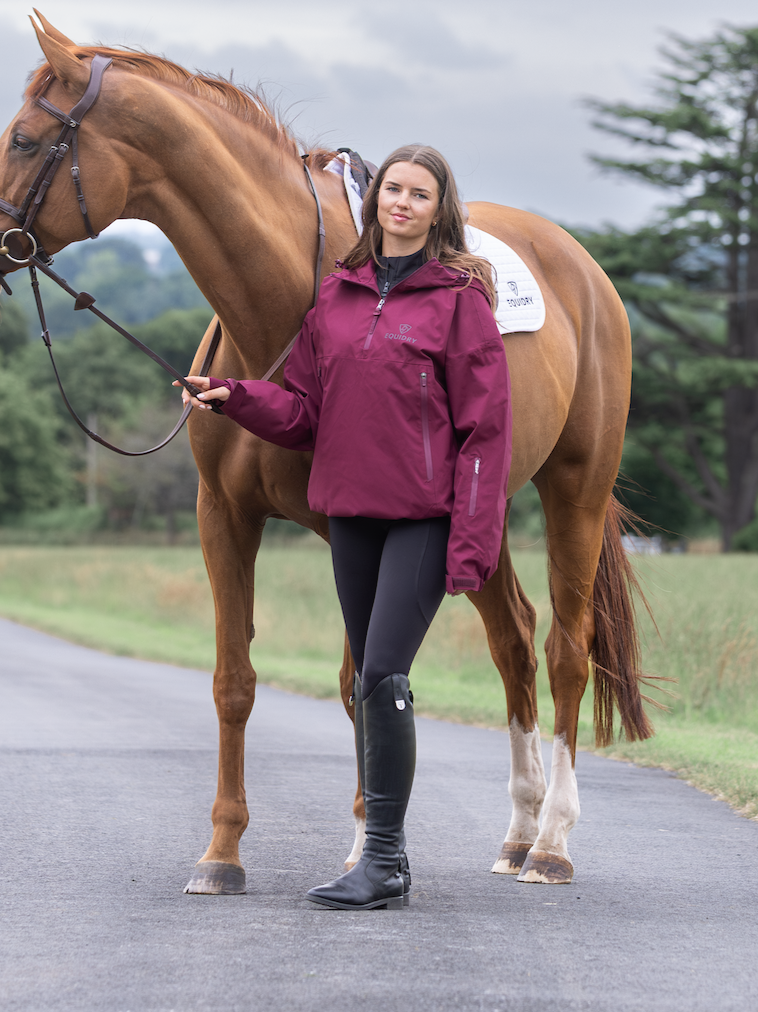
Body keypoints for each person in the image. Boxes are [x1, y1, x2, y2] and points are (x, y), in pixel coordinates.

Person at [178, 144, 512, 910]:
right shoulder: (337, 298)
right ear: (375, 201)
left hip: (423, 519)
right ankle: (383, 861)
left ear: (438, 209)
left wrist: (473, 541)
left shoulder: (460, 299)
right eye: (393, 189)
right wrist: (234, 394)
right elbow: (303, 412)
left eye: (418, 194)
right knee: (367, 681)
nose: (402, 203)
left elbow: (487, 431)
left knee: (384, 677)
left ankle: (385, 859)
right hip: (352, 515)